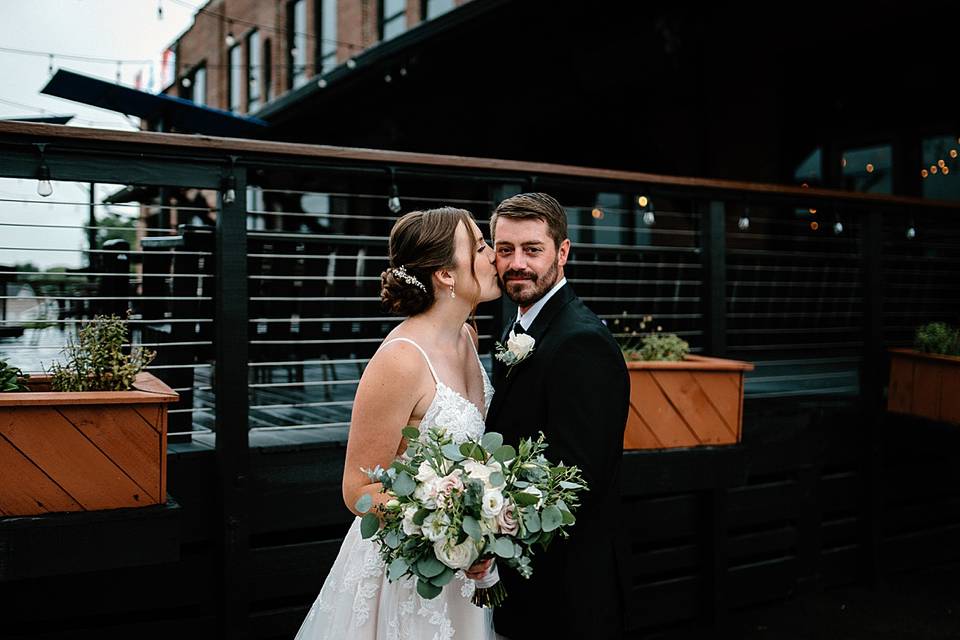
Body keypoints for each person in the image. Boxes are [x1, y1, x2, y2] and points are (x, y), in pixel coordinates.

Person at [295, 207, 502, 640]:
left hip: (464, 566)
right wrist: (445, 516)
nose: (493, 255)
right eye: (481, 247)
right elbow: (358, 492)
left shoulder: (467, 336)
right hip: (409, 575)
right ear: (446, 274)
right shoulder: (401, 360)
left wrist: (478, 528)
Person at [486, 193, 631, 639]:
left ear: (562, 252)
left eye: (532, 250)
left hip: (564, 588)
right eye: (505, 250)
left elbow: (578, 478)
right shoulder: (518, 326)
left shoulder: (580, 342)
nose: (517, 264)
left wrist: (492, 525)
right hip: (524, 584)